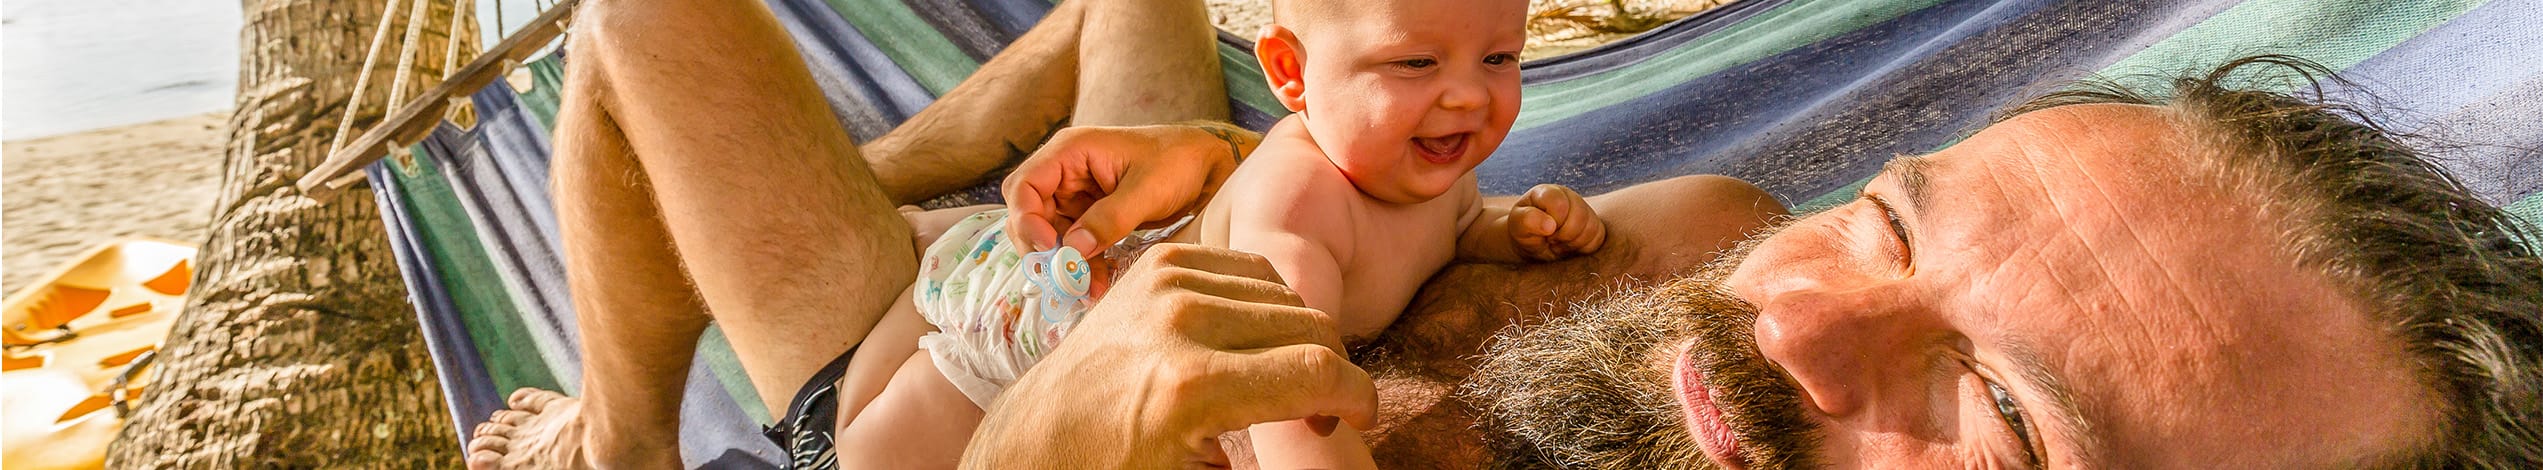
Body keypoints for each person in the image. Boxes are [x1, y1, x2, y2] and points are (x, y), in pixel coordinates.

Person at [965, 56, 2543, 468]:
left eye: (1999, 421)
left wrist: (1025, 450)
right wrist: (1257, 177)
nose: (1794, 320)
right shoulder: (1702, 255)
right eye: (1885, 219)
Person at [461, 0, 1771, 468]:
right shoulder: (1309, 212)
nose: (1476, 95)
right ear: (1293, 75)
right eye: (1418, 60)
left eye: (1501, 56)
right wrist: (1235, 173)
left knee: (633, 25)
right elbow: (1283, 373)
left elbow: (1269, 366)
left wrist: (1501, 226)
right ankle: (630, 432)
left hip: (952, 411)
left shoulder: (1716, 276)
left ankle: (898, 214)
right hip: (1076, 279)